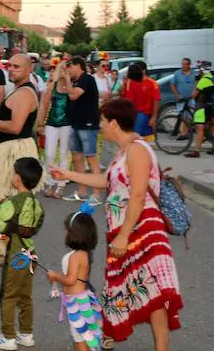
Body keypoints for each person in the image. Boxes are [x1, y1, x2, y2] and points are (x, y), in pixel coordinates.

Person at [51, 99, 183, 350]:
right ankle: (106, 335)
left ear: (113, 122)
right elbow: (107, 181)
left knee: (155, 294)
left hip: (143, 230)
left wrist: (124, 235)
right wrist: (68, 174)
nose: (100, 126)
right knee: (142, 290)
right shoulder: (123, 152)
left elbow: (138, 193)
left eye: (102, 121)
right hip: (126, 232)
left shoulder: (138, 150)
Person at [0, 55, 44, 268]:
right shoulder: (19, 90)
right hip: (9, 150)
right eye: (9, 66)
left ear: (28, 69)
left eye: (17, 67)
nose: (11, 70)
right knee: (9, 204)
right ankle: (12, 251)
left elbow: (16, 126)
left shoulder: (25, 93)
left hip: (14, 152)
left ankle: (6, 253)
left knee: (10, 205)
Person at [0, 157, 44, 350]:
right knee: (25, 296)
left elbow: (1, 224)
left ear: (18, 178)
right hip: (30, 254)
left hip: (16, 256)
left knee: (8, 295)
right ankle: (26, 333)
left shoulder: (13, 202)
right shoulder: (37, 204)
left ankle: (8, 336)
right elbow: (35, 227)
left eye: (13, 173)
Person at [46, 207, 104, 351]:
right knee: (80, 336)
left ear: (75, 234)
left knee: (81, 339)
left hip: (78, 303)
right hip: (78, 300)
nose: (65, 233)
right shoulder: (84, 253)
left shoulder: (76, 255)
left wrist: (56, 276)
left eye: (67, 230)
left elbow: (71, 280)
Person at [63, 58, 102, 204]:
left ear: (78, 66)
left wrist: (67, 81)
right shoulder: (76, 81)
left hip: (88, 124)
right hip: (76, 124)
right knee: (77, 158)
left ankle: (96, 195)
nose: (68, 70)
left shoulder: (87, 79)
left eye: (70, 67)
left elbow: (73, 95)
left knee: (91, 158)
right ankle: (82, 192)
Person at [37, 61, 72, 199]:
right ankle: (51, 182)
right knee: (49, 154)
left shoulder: (71, 86)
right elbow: (44, 105)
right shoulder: (52, 87)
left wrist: (68, 81)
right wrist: (40, 124)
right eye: (61, 69)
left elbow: (74, 98)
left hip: (67, 124)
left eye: (66, 69)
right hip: (51, 123)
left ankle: (61, 185)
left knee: (64, 154)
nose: (64, 71)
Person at [120, 63, 160, 142]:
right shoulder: (129, 82)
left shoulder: (152, 83)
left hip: (143, 115)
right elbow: (124, 97)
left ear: (144, 71)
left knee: (141, 139)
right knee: (134, 139)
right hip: (132, 114)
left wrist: (154, 117)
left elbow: (156, 100)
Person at [186, 63, 214, 158]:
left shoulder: (203, 81)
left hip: (201, 107)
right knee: (208, 128)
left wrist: (196, 81)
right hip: (210, 107)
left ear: (202, 70)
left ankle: (196, 151)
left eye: (198, 70)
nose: (197, 72)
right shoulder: (212, 78)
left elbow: (194, 94)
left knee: (199, 129)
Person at [169, 58, 195, 140]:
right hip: (181, 98)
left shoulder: (194, 73)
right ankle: (183, 133)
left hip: (192, 98)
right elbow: (172, 84)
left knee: (190, 116)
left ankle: (187, 132)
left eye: (185, 64)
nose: (183, 65)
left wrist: (195, 93)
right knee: (182, 116)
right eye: (182, 64)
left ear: (189, 65)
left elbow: (198, 83)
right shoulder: (177, 73)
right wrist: (177, 94)